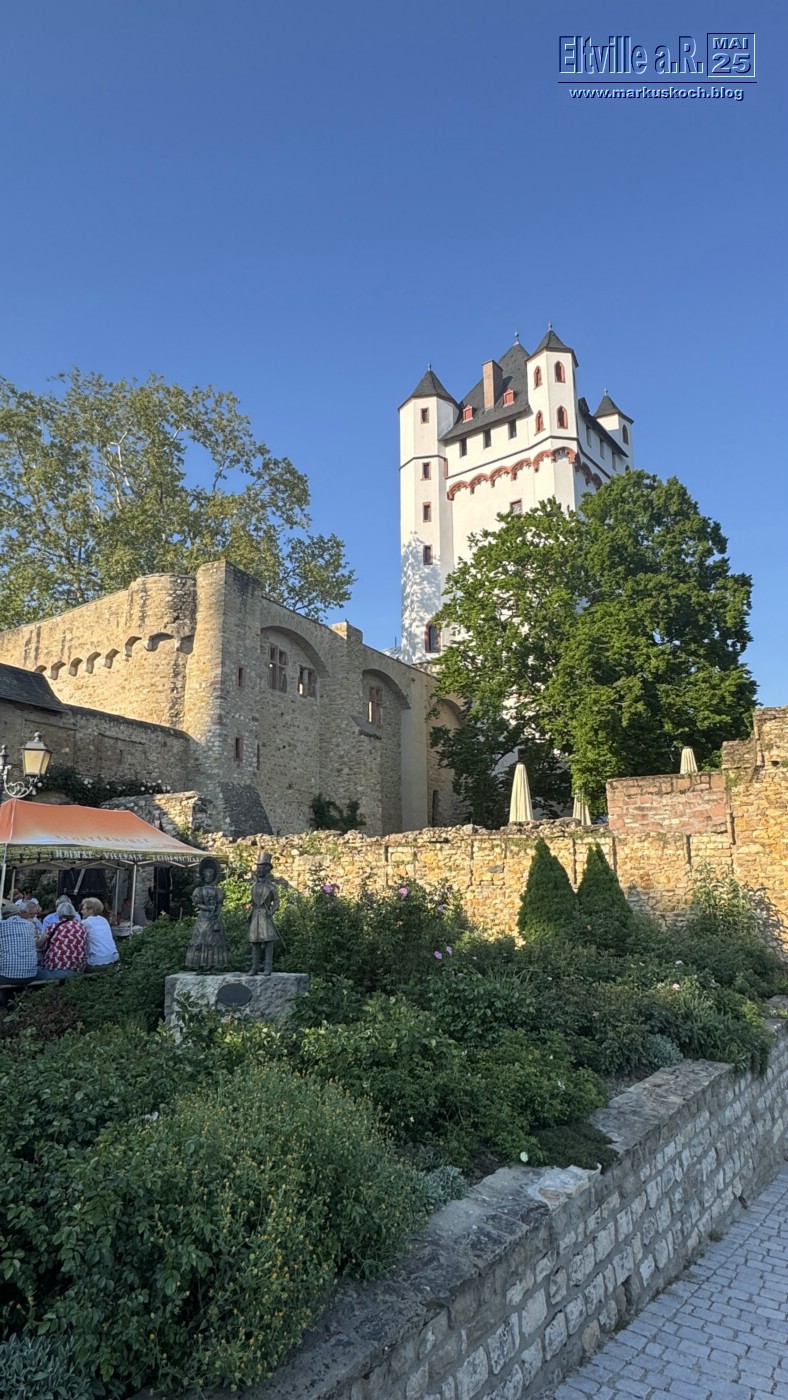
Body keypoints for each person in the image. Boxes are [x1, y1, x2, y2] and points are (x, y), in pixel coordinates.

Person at [248, 854, 281, 976]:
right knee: (255, 942)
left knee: (268, 941)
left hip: (265, 915)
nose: (258, 870)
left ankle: (268, 967)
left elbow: (276, 901)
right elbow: (253, 902)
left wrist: (271, 912)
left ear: (267, 869)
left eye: (261, 868)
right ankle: (255, 966)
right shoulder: (254, 887)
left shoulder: (271, 887)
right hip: (255, 915)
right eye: (258, 867)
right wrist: (249, 913)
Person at [38, 899, 87, 979]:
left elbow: (39, 944)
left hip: (57, 969)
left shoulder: (53, 926)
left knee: (31, 972)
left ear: (58, 913)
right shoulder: (81, 926)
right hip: (78, 969)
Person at [0, 901, 38, 984]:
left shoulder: (1, 925)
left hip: (6, 976)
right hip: (30, 975)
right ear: (19, 913)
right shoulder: (30, 925)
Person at [79, 896, 119, 968]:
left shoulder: (86, 923)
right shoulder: (104, 920)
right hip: (114, 958)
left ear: (91, 910)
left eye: (83, 909)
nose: (81, 911)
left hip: (97, 961)